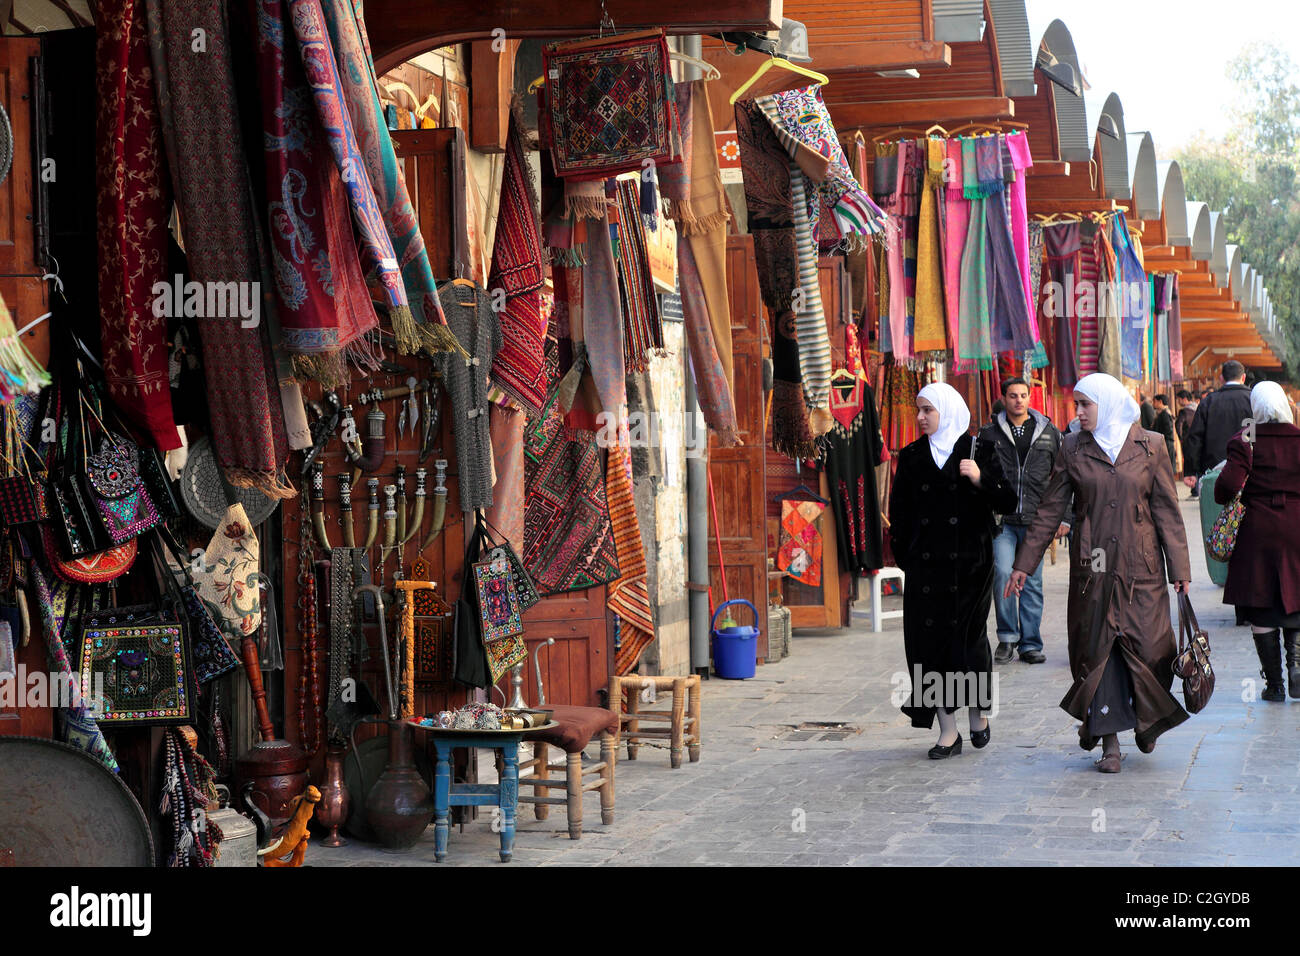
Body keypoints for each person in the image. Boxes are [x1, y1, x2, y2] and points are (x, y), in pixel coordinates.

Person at [1006, 373, 1192, 773]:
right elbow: (1050, 510)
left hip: (1141, 568)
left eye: (1085, 405)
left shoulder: (1151, 445)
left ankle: (1149, 719)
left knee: (1149, 648)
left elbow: (1167, 512)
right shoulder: (1072, 447)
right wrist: (1024, 564)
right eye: (1076, 405)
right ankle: (1110, 744)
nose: (1079, 413)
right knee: (1099, 652)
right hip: (1093, 570)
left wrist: (1179, 568)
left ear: (1105, 404)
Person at [889, 383, 1017, 759]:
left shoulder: (979, 450)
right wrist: (906, 556)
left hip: (970, 569)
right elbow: (899, 513)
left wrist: (980, 479)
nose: (921, 417)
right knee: (929, 647)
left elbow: (1008, 499)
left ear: (947, 410)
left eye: (928, 410)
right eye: (918, 410)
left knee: (969, 643)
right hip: (926, 573)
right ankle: (948, 731)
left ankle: (978, 716)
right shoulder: (912, 456)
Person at [1215, 382, 1300, 701]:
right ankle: (1297, 666)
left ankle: (1275, 684)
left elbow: (1228, 485)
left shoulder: (1245, 441)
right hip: (1297, 526)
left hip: (1258, 528)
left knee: (1262, 603)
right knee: (1297, 593)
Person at [978, 377, 1071, 665]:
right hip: (1001, 520)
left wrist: (1064, 517)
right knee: (1003, 573)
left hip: (1036, 521)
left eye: (1023, 395)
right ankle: (1007, 638)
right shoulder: (988, 434)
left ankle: (1030, 643)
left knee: (1031, 581)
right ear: (1003, 398)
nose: (1018, 400)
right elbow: (978, 478)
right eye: (1012, 395)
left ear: (1030, 398)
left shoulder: (1049, 433)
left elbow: (1064, 478)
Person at [1184, 361, 1252, 490]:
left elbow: (1195, 437)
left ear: (1221, 378)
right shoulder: (1253, 399)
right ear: (1243, 377)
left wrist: (1191, 470)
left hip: (1214, 470)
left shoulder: (1208, 402)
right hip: (1248, 469)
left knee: (1215, 507)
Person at [1175, 389, 1199, 495]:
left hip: (1188, 441)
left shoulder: (1184, 411)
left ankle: (1194, 489)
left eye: (1179, 399)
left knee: (1189, 464)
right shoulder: (1198, 409)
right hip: (1198, 440)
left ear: (1184, 399)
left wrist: (1181, 438)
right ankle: (1197, 488)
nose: (1178, 402)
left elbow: (1178, 425)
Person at [1151, 394, 1177, 472]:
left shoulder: (1165, 414)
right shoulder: (1163, 413)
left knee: (1166, 468)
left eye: (1154, 402)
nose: (1153, 404)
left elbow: (1168, 430)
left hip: (1166, 443)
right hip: (1165, 443)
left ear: (1160, 402)